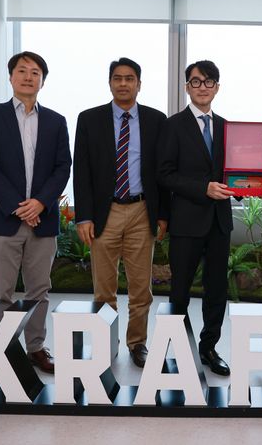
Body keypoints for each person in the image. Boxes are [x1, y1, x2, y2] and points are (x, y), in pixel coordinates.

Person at [0, 51, 72, 374]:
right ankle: (0, 353)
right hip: (3, 218)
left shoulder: (56, 121)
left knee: (39, 290)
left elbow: (63, 167)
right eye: (22, 71)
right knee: (0, 291)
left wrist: (40, 203)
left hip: (43, 220)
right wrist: (19, 206)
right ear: (11, 76)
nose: (28, 77)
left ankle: (36, 348)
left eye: (35, 72)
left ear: (43, 81)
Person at [73, 57, 168, 369]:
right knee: (104, 288)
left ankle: (137, 343)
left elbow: (163, 171)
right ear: (110, 83)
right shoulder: (89, 119)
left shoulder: (156, 120)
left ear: (139, 84)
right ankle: (105, 342)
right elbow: (81, 171)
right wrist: (83, 216)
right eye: (117, 78)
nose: (123, 83)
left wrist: (162, 214)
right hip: (106, 212)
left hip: (142, 210)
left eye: (130, 78)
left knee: (141, 288)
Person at [157, 60, 233, 376]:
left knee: (217, 292)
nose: (203, 87)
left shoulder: (228, 127)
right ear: (187, 87)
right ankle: (181, 349)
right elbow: (164, 174)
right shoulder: (173, 125)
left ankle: (209, 348)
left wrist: (247, 184)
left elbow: (235, 173)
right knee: (179, 293)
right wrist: (204, 188)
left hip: (219, 222)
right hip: (186, 221)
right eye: (196, 81)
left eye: (209, 81)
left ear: (217, 87)